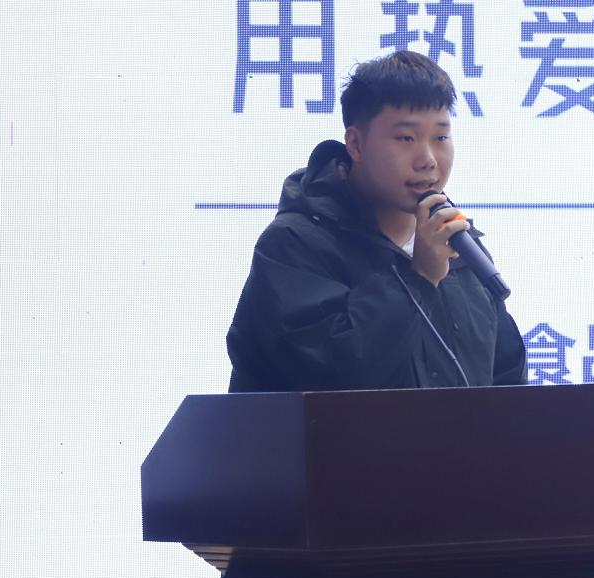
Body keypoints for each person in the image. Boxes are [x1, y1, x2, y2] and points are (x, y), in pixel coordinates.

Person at [226, 50, 527, 392]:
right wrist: (420, 278)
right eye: (406, 138)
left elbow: (507, 379)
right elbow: (325, 379)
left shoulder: (458, 246)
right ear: (356, 144)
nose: (428, 160)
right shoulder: (294, 244)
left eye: (441, 137)